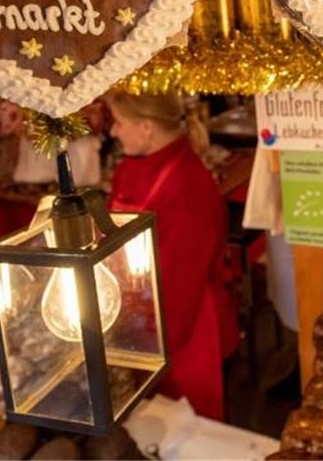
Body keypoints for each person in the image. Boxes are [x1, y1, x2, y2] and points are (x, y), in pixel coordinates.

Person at [105, 93, 238, 420]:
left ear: (146, 128)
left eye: (119, 122)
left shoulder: (188, 185)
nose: (113, 132)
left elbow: (180, 284)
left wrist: (144, 350)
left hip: (181, 329)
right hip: (136, 318)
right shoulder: (130, 167)